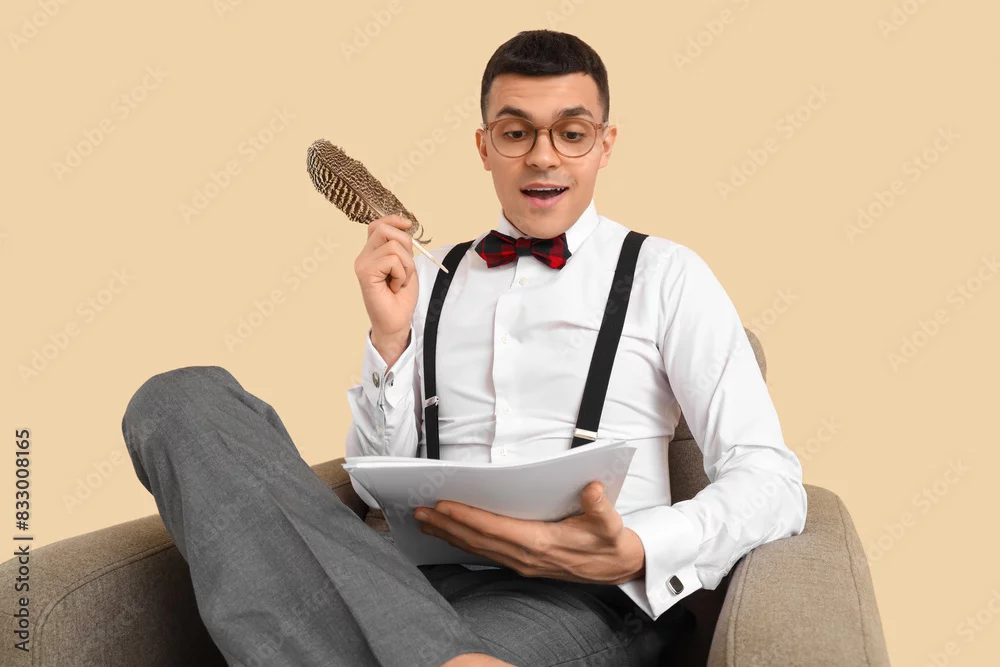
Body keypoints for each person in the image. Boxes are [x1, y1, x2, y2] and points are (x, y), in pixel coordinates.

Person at [122, 29, 807, 666]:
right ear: (484, 146)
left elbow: (772, 481)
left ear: (605, 145)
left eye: (571, 133)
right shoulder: (427, 279)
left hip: (573, 599)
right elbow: (372, 485)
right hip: (401, 582)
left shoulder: (667, 274)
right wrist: (391, 341)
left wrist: (636, 548)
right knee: (179, 399)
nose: (543, 156)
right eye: (516, 132)